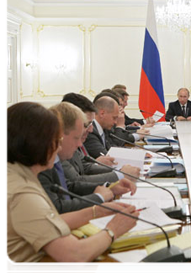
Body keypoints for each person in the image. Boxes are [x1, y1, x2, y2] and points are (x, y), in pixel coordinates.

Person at [5, 102, 139, 272]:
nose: (59, 147)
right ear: (37, 143)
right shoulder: (21, 193)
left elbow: (50, 221)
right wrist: (113, 230)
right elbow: (76, 255)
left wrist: (98, 210)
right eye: (56, 141)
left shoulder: (17, 175)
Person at [38, 102, 137, 213]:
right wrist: (98, 197)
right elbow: (58, 208)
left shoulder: (56, 157)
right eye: (76, 138)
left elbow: (68, 186)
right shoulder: (40, 163)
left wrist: (108, 187)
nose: (80, 144)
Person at [61, 93, 141, 184]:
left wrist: (121, 171)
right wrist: (120, 174)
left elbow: (85, 166)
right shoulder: (60, 146)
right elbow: (75, 182)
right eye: (87, 124)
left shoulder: (73, 139)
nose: (91, 129)